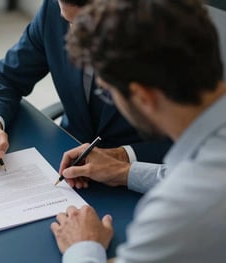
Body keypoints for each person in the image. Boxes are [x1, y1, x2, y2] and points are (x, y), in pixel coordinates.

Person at [51, 0, 226, 262]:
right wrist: (124, 172)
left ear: (143, 97)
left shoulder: (177, 213)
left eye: (107, 92)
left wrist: (83, 246)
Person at [0, 0, 171, 186]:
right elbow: (7, 77)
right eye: (69, 22)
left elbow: (193, 136)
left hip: (146, 177)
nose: (74, 39)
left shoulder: (166, 32)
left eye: (86, 26)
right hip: (65, 157)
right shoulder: (54, 10)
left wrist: (123, 156)